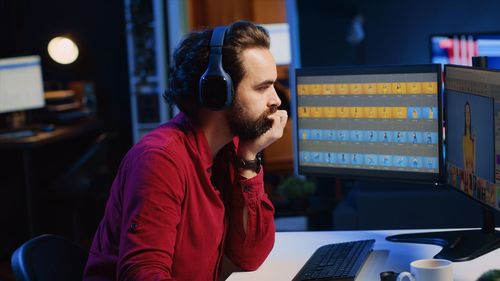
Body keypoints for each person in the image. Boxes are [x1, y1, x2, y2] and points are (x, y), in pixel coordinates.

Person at [83, 21, 287, 280]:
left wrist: (249, 159)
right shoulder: (160, 159)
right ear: (217, 92)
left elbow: (249, 256)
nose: (276, 100)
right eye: (262, 87)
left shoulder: (229, 151)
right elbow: (142, 274)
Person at [463, 102, 475, 193]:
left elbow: (474, 162)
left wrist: (472, 170)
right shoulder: (463, 138)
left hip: (472, 175)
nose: (467, 116)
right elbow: (464, 163)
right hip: (466, 175)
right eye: (465, 113)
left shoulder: (474, 138)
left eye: (469, 113)